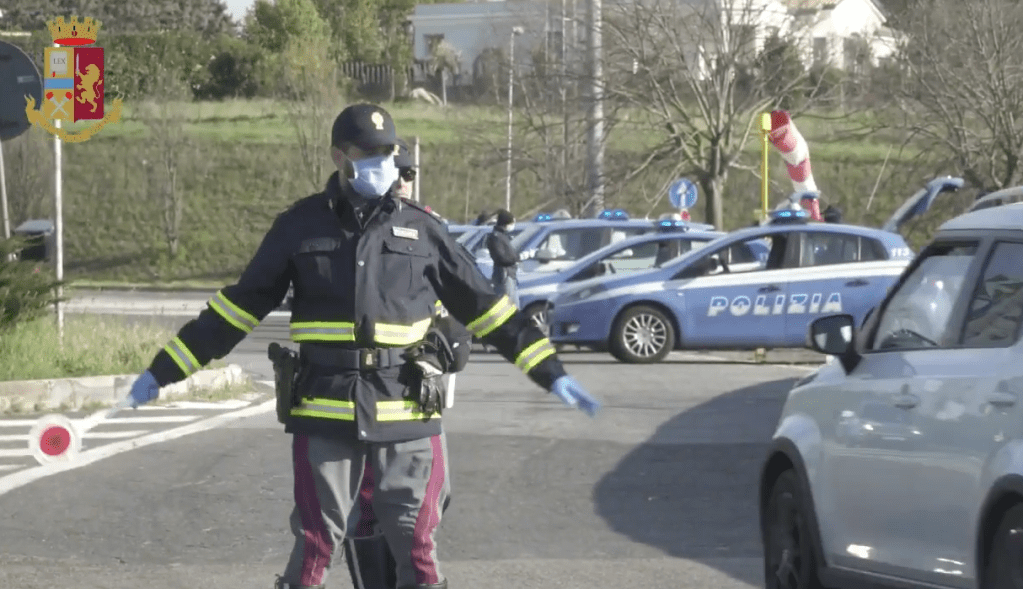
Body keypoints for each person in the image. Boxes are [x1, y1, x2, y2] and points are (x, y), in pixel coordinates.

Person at [120, 103, 600, 589]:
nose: (380, 162)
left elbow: (489, 312)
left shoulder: (424, 229)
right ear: (339, 156)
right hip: (325, 413)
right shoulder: (299, 226)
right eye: (367, 152)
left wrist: (551, 372)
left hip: (406, 413)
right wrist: (163, 371)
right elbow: (236, 310)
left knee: (418, 549)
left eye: (387, 152)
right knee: (315, 547)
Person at [486, 209, 519, 307]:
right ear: (506, 223)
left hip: (510, 274)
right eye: (512, 223)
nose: (513, 226)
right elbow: (501, 258)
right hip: (504, 275)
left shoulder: (503, 236)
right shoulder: (496, 237)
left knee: (513, 304)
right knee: (508, 304)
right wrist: (515, 259)